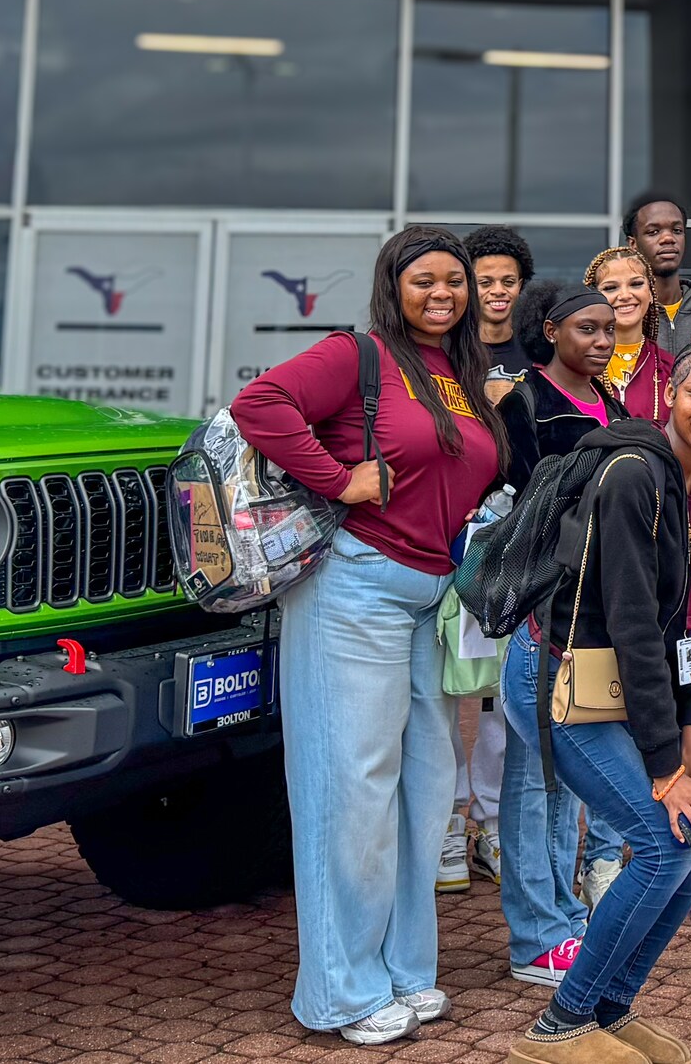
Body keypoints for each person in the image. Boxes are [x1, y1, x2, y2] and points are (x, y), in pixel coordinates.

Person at [232, 229, 500, 1045]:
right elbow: (259, 405)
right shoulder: (359, 352)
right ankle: (340, 991)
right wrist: (338, 476)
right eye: (425, 280)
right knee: (348, 791)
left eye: (456, 280)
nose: (444, 293)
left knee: (422, 791)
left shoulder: (460, 374)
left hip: (428, 597)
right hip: (354, 586)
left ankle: (405, 970)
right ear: (395, 283)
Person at [507, 348, 691, 1064]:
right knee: (668, 835)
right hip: (560, 676)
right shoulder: (637, 473)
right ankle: (558, 1024)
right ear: (669, 389)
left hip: (615, 680)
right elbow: (639, 624)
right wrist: (665, 769)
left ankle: (608, 1007)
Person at [494, 280, 628, 990]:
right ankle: (537, 934)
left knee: (566, 773)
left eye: (610, 329)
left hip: (593, 610)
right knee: (533, 774)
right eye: (588, 328)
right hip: (545, 608)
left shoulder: (610, 402)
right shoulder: (523, 405)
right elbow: (527, 505)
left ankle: (563, 918)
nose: (603, 340)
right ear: (549, 330)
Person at [454, 226, 537, 890]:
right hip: (450, 522)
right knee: (447, 678)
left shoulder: (534, 346)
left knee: (498, 689)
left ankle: (491, 821)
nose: (497, 290)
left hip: (514, 524)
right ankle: (449, 823)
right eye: (485, 279)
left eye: (507, 279)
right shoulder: (445, 345)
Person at [586, 247, 676, 423]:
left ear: (650, 293)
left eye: (636, 284)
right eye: (611, 288)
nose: (625, 295)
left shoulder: (672, 369)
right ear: (594, 298)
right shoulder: (577, 368)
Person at [624, 189, 691, 353]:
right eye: (653, 232)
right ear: (633, 244)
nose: (668, 239)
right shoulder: (620, 318)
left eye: (677, 230)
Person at [470, 226, 539, 405]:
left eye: (508, 282)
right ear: (468, 285)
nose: (498, 291)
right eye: (486, 283)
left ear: (520, 285)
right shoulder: (450, 349)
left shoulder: (539, 351)